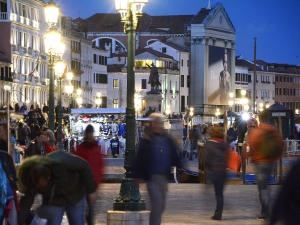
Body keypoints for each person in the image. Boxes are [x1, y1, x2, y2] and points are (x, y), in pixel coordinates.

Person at [17, 151, 97, 225]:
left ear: (48, 177)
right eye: (37, 185)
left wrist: (91, 190)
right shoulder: (33, 179)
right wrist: (18, 223)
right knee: (53, 221)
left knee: (76, 221)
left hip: (75, 193)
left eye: (41, 186)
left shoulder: (61, 160)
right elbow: (25, 205)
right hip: (55, 200)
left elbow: (84, 165)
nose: (38, 188)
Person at [133, 113, 182, 225]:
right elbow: (140, 157)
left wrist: (181, 168)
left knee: (162, 205)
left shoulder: (167, 139)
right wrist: (137, 175)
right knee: (157, 203)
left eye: (160, 123)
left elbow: (174, 154)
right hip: (152, 177)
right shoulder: (147, 140)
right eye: (156, 123)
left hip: (164, 177)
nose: (158, 126)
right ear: (152, 124)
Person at [247, 110, 283, 221]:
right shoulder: (274, 131)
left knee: (262, 189)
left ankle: (265, 213)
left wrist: (249, 156)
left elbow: (251, 144)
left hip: (260, 162)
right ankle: (271, 210)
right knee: (266, 188)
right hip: (271, 162)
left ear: (260, 119)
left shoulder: (257, 131)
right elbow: (281, 145)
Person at [75, 125, 104, 225]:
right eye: (89, 133)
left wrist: (98, 179)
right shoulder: (81, 148)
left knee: (91, 208)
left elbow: (100, 164)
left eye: (91, 133)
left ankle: (88, 220)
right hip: (82, 181)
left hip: (92, 181)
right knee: (81, 206)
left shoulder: (96, 147)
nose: (90, 135)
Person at [203, 126, 228, 220]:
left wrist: (208, 167)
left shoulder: (210, 143)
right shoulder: (224, 143)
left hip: (215, 170)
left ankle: (218, 214)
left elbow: (206, 159)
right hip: (223, 171)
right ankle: (218, 212)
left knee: (218, 194)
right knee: (220, 193)